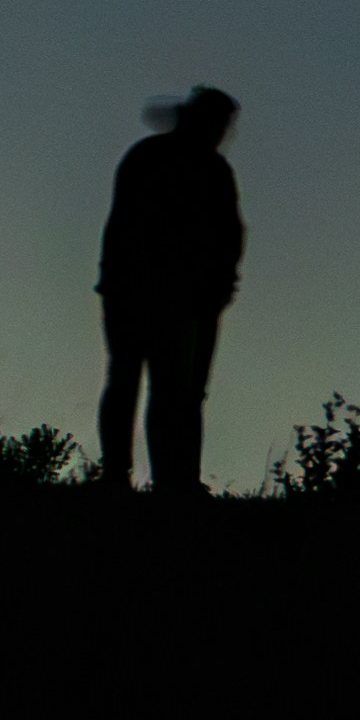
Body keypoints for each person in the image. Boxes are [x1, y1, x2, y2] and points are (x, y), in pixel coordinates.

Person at [96, 86, 248, 496]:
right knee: (170, 390)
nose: (223, 133)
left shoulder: (154, 157)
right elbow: (230, 236)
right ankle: (160, 480)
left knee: (157, 386)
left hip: (163, 295)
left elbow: (230, 237)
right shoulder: (204, 168)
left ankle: (150, 478)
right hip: (169, 295)